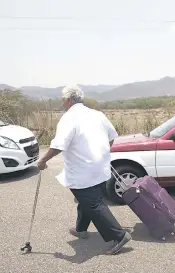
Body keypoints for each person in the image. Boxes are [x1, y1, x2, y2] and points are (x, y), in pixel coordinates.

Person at [37, 85, 131, 255]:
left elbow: (59, 145)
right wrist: (101, 153)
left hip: (82, 171)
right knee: (86, 200)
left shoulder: (69, 118)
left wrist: (43, 160)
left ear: (68, 100)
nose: (61, 102)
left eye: (62, 99)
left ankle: (119, 235)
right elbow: (112, 137)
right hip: (101, 167)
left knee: (93, 203)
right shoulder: (97, 114)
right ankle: (81, 229)